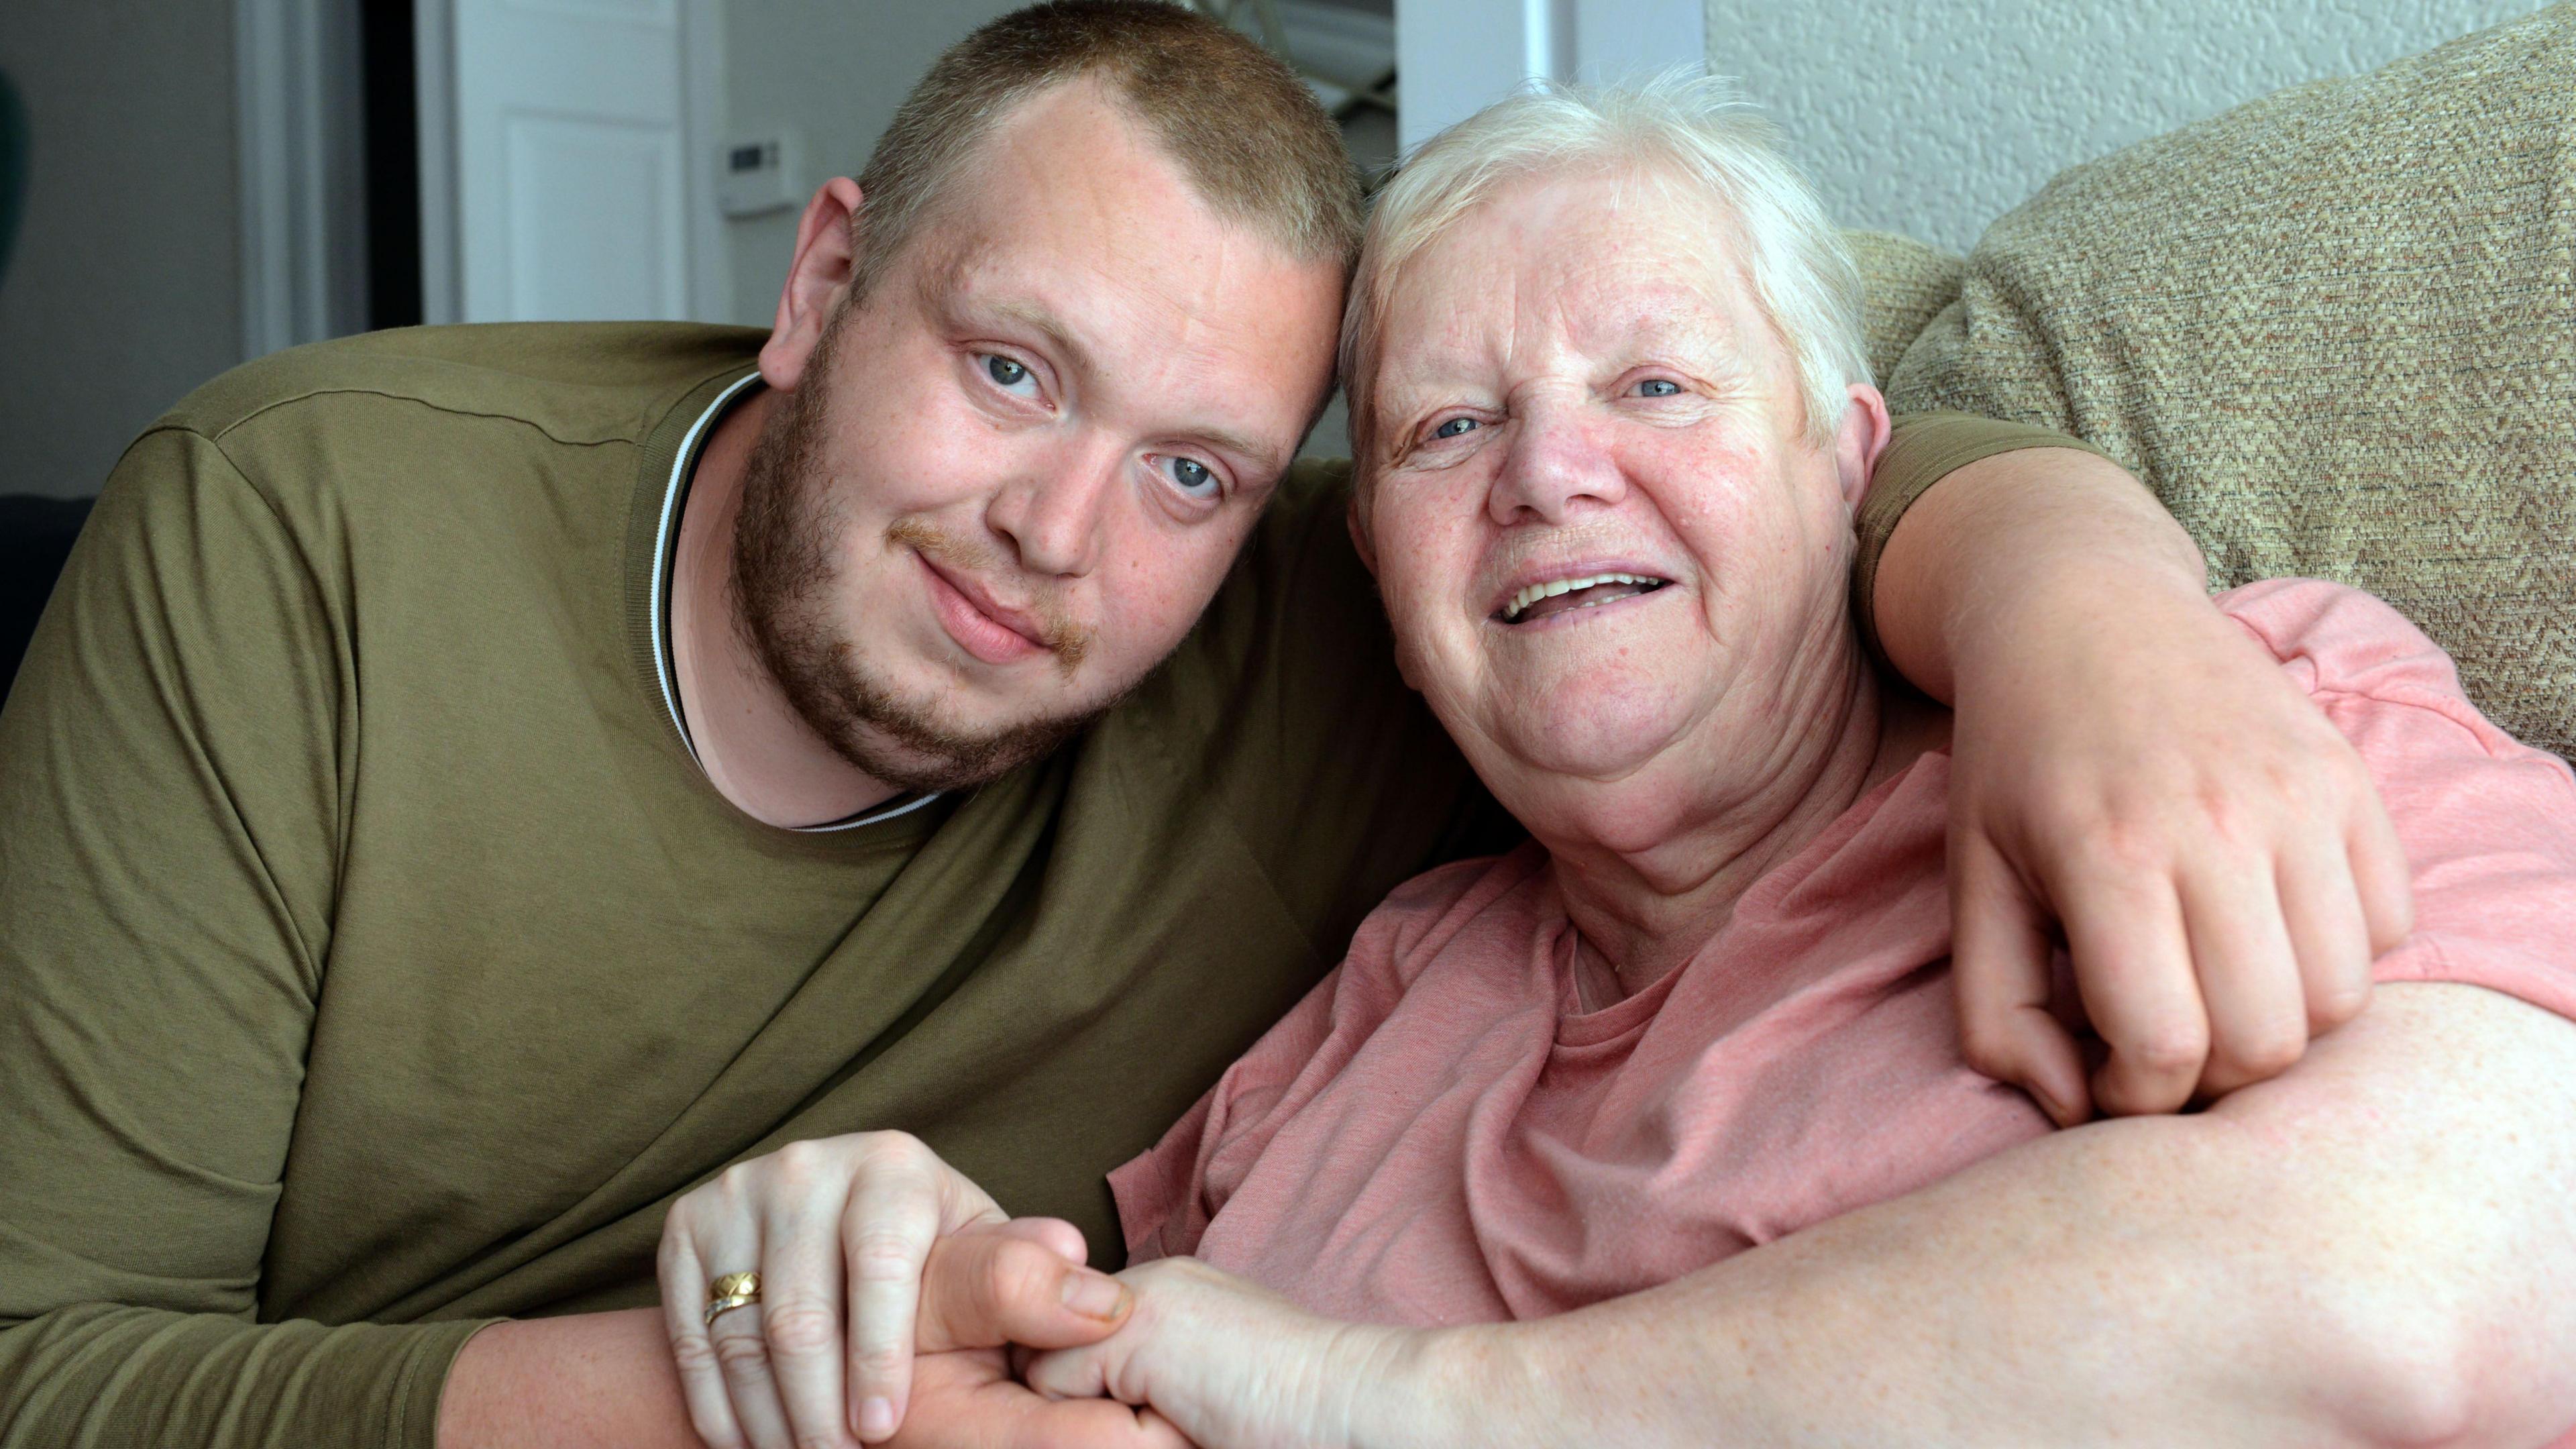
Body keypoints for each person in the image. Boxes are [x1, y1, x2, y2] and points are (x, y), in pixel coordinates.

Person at [0, 7, 2409, 1449]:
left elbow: (1709, 511)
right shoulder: (297, 527)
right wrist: (742, 1383)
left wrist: (2092, 606)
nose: (1059, 533)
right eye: (1011, 367)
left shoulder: (1352, 630)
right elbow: (35, 1367)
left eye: (1191, 469)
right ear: (826, 279)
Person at [671, 73, 2576, 1449]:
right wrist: (871, 1256)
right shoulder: (1369, 1010)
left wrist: (1410, 1407)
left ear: (1850, 462)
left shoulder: (2226, 715)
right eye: (1447, 426)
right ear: (1379, 580)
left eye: (1657, 385)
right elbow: (1094, 1360)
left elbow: (2448, 1279)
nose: (1550, 471)